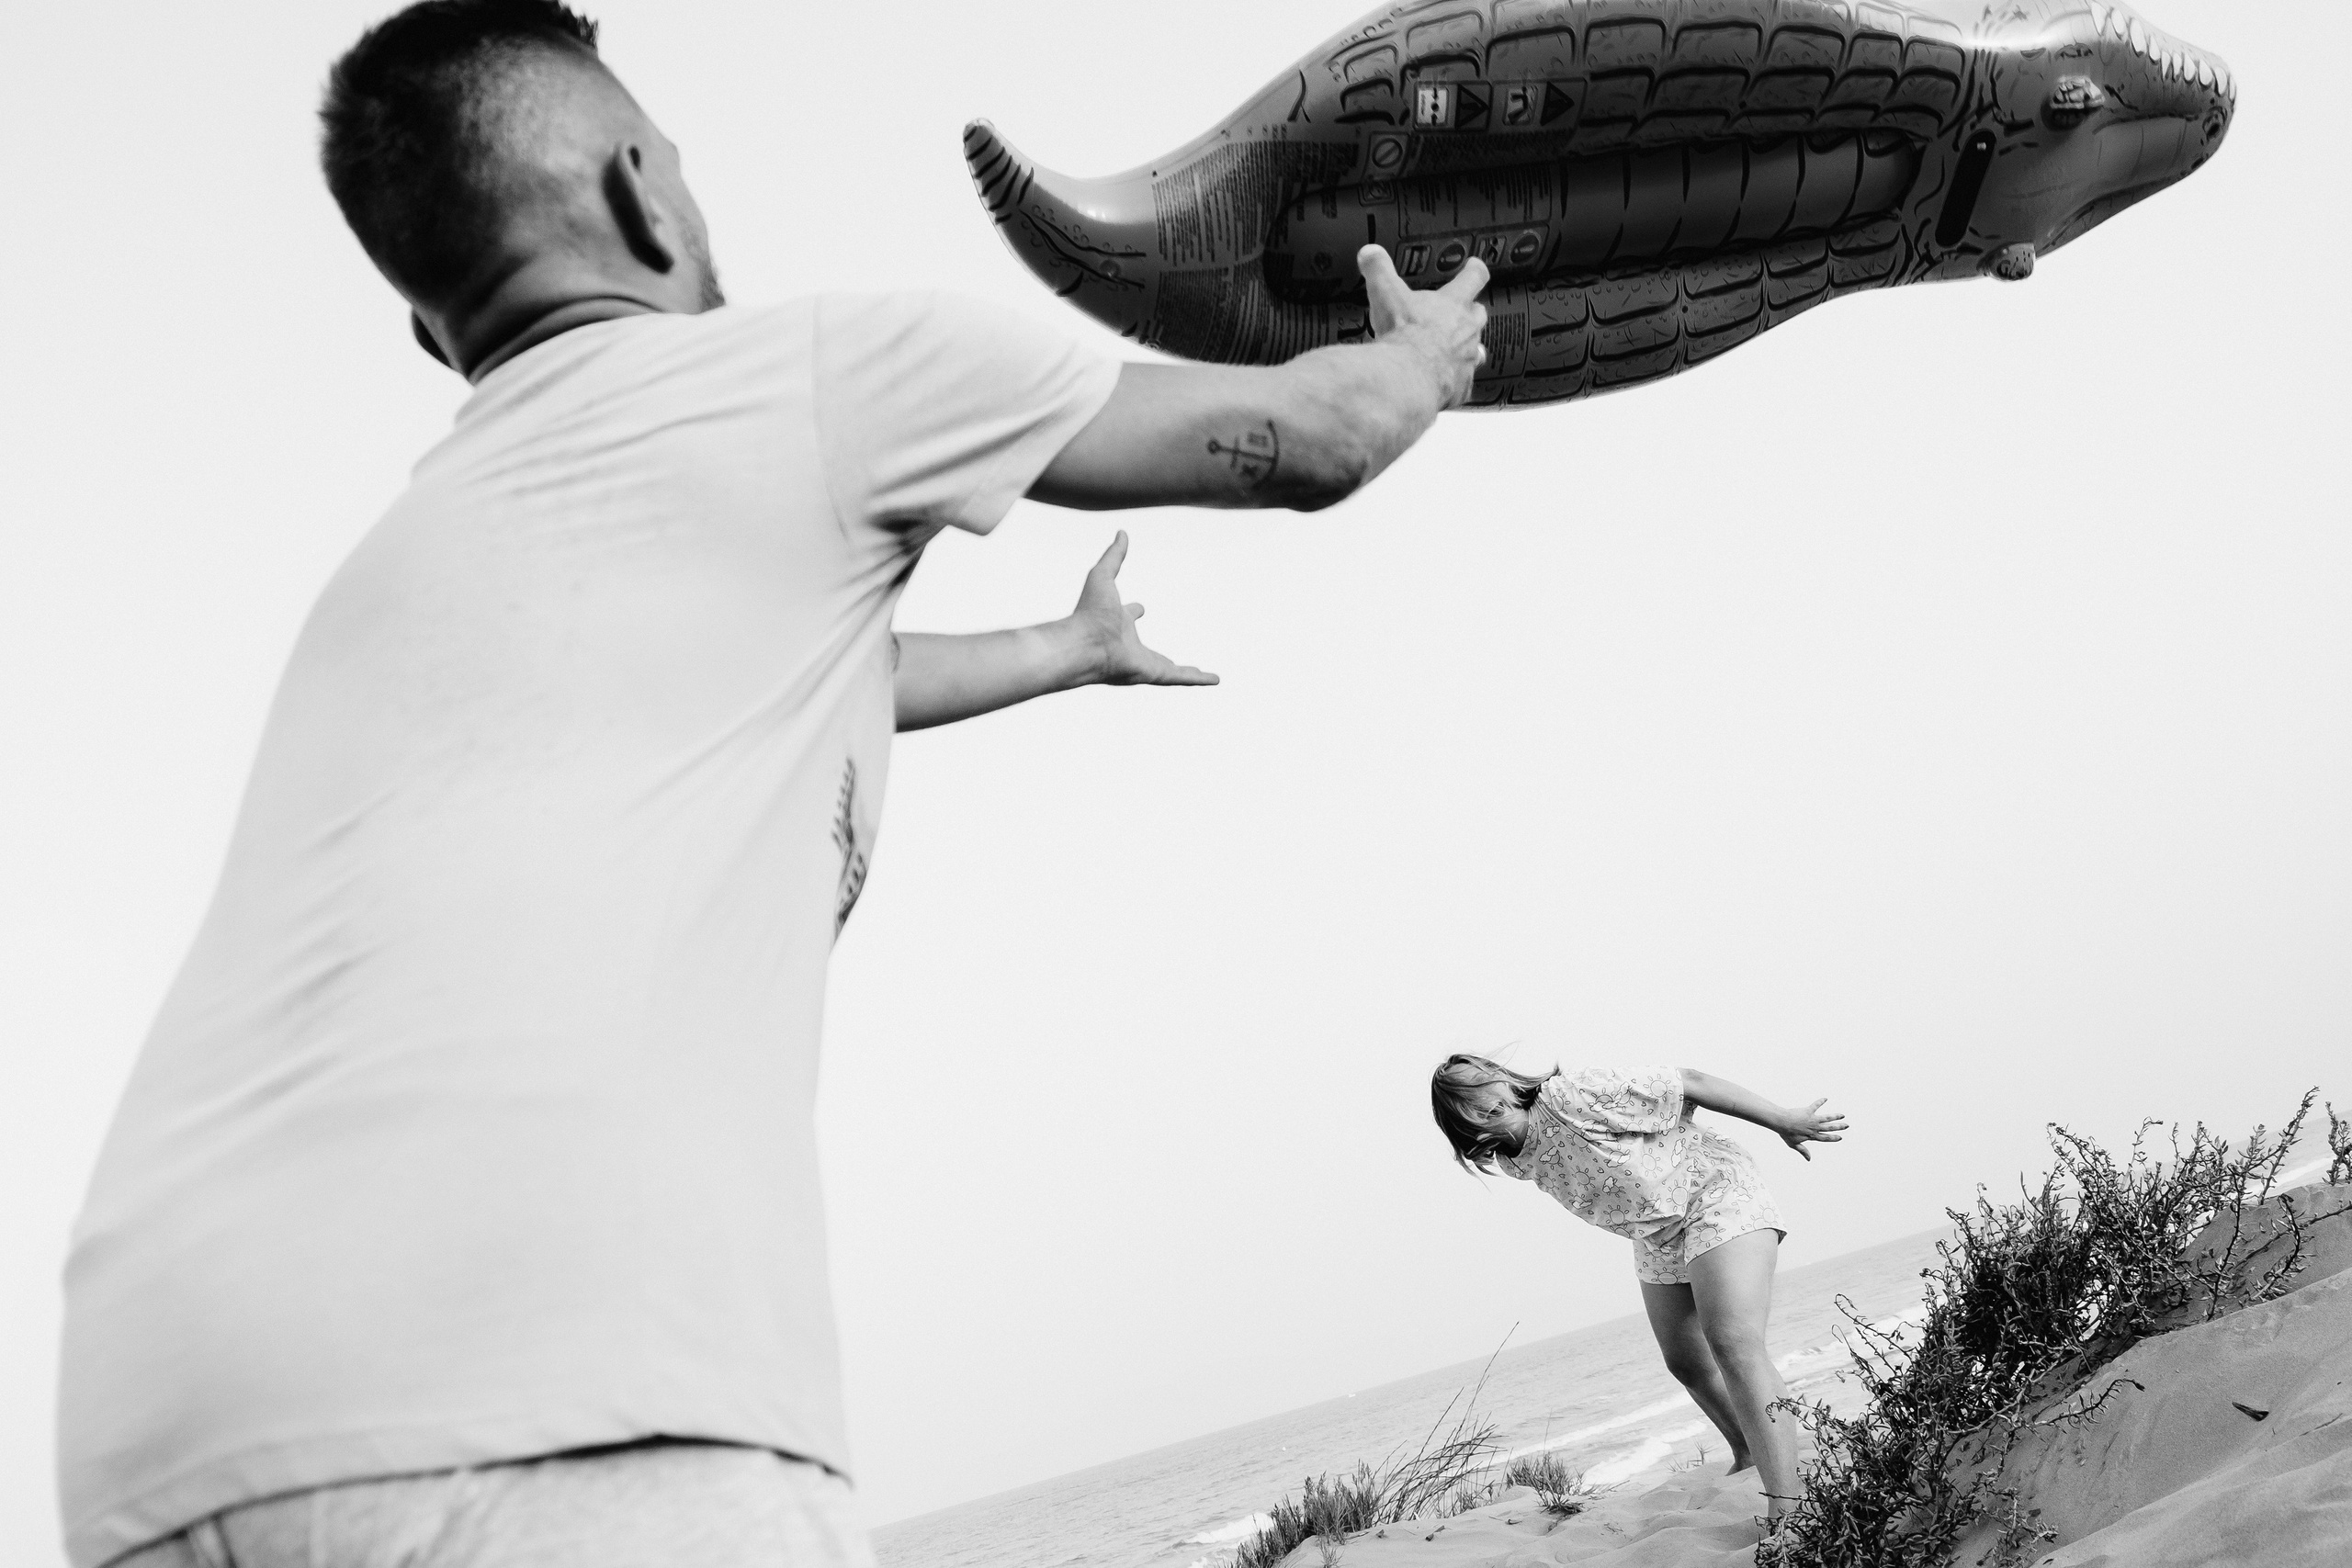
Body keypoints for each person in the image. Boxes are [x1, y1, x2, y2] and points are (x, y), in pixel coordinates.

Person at [55, 4, 1490, 1566]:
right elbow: (1315, 440)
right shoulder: (819, 373)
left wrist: (1064, 647)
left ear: (434, 328)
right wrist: (1424, 355)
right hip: (540, 1381)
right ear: (640, 196)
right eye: (678, 158)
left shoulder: (411, 574)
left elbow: (821, 683)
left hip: (159, 1436)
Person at [1428, 1056, 1848, 1525]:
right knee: (1686, 1361)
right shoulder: (1511, 1159)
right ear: (1461, 1120)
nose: (1487, 1101)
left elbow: (1690, 1081)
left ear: (1505, 1082)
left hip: (1712, 1192)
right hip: (1656, 1233)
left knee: (1733, 1341)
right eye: (1470, 1101)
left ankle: (1788, 1506)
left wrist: (1784, 1121)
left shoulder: (1569, 1096)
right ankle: (1749, 1453)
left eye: (1488, 1087)